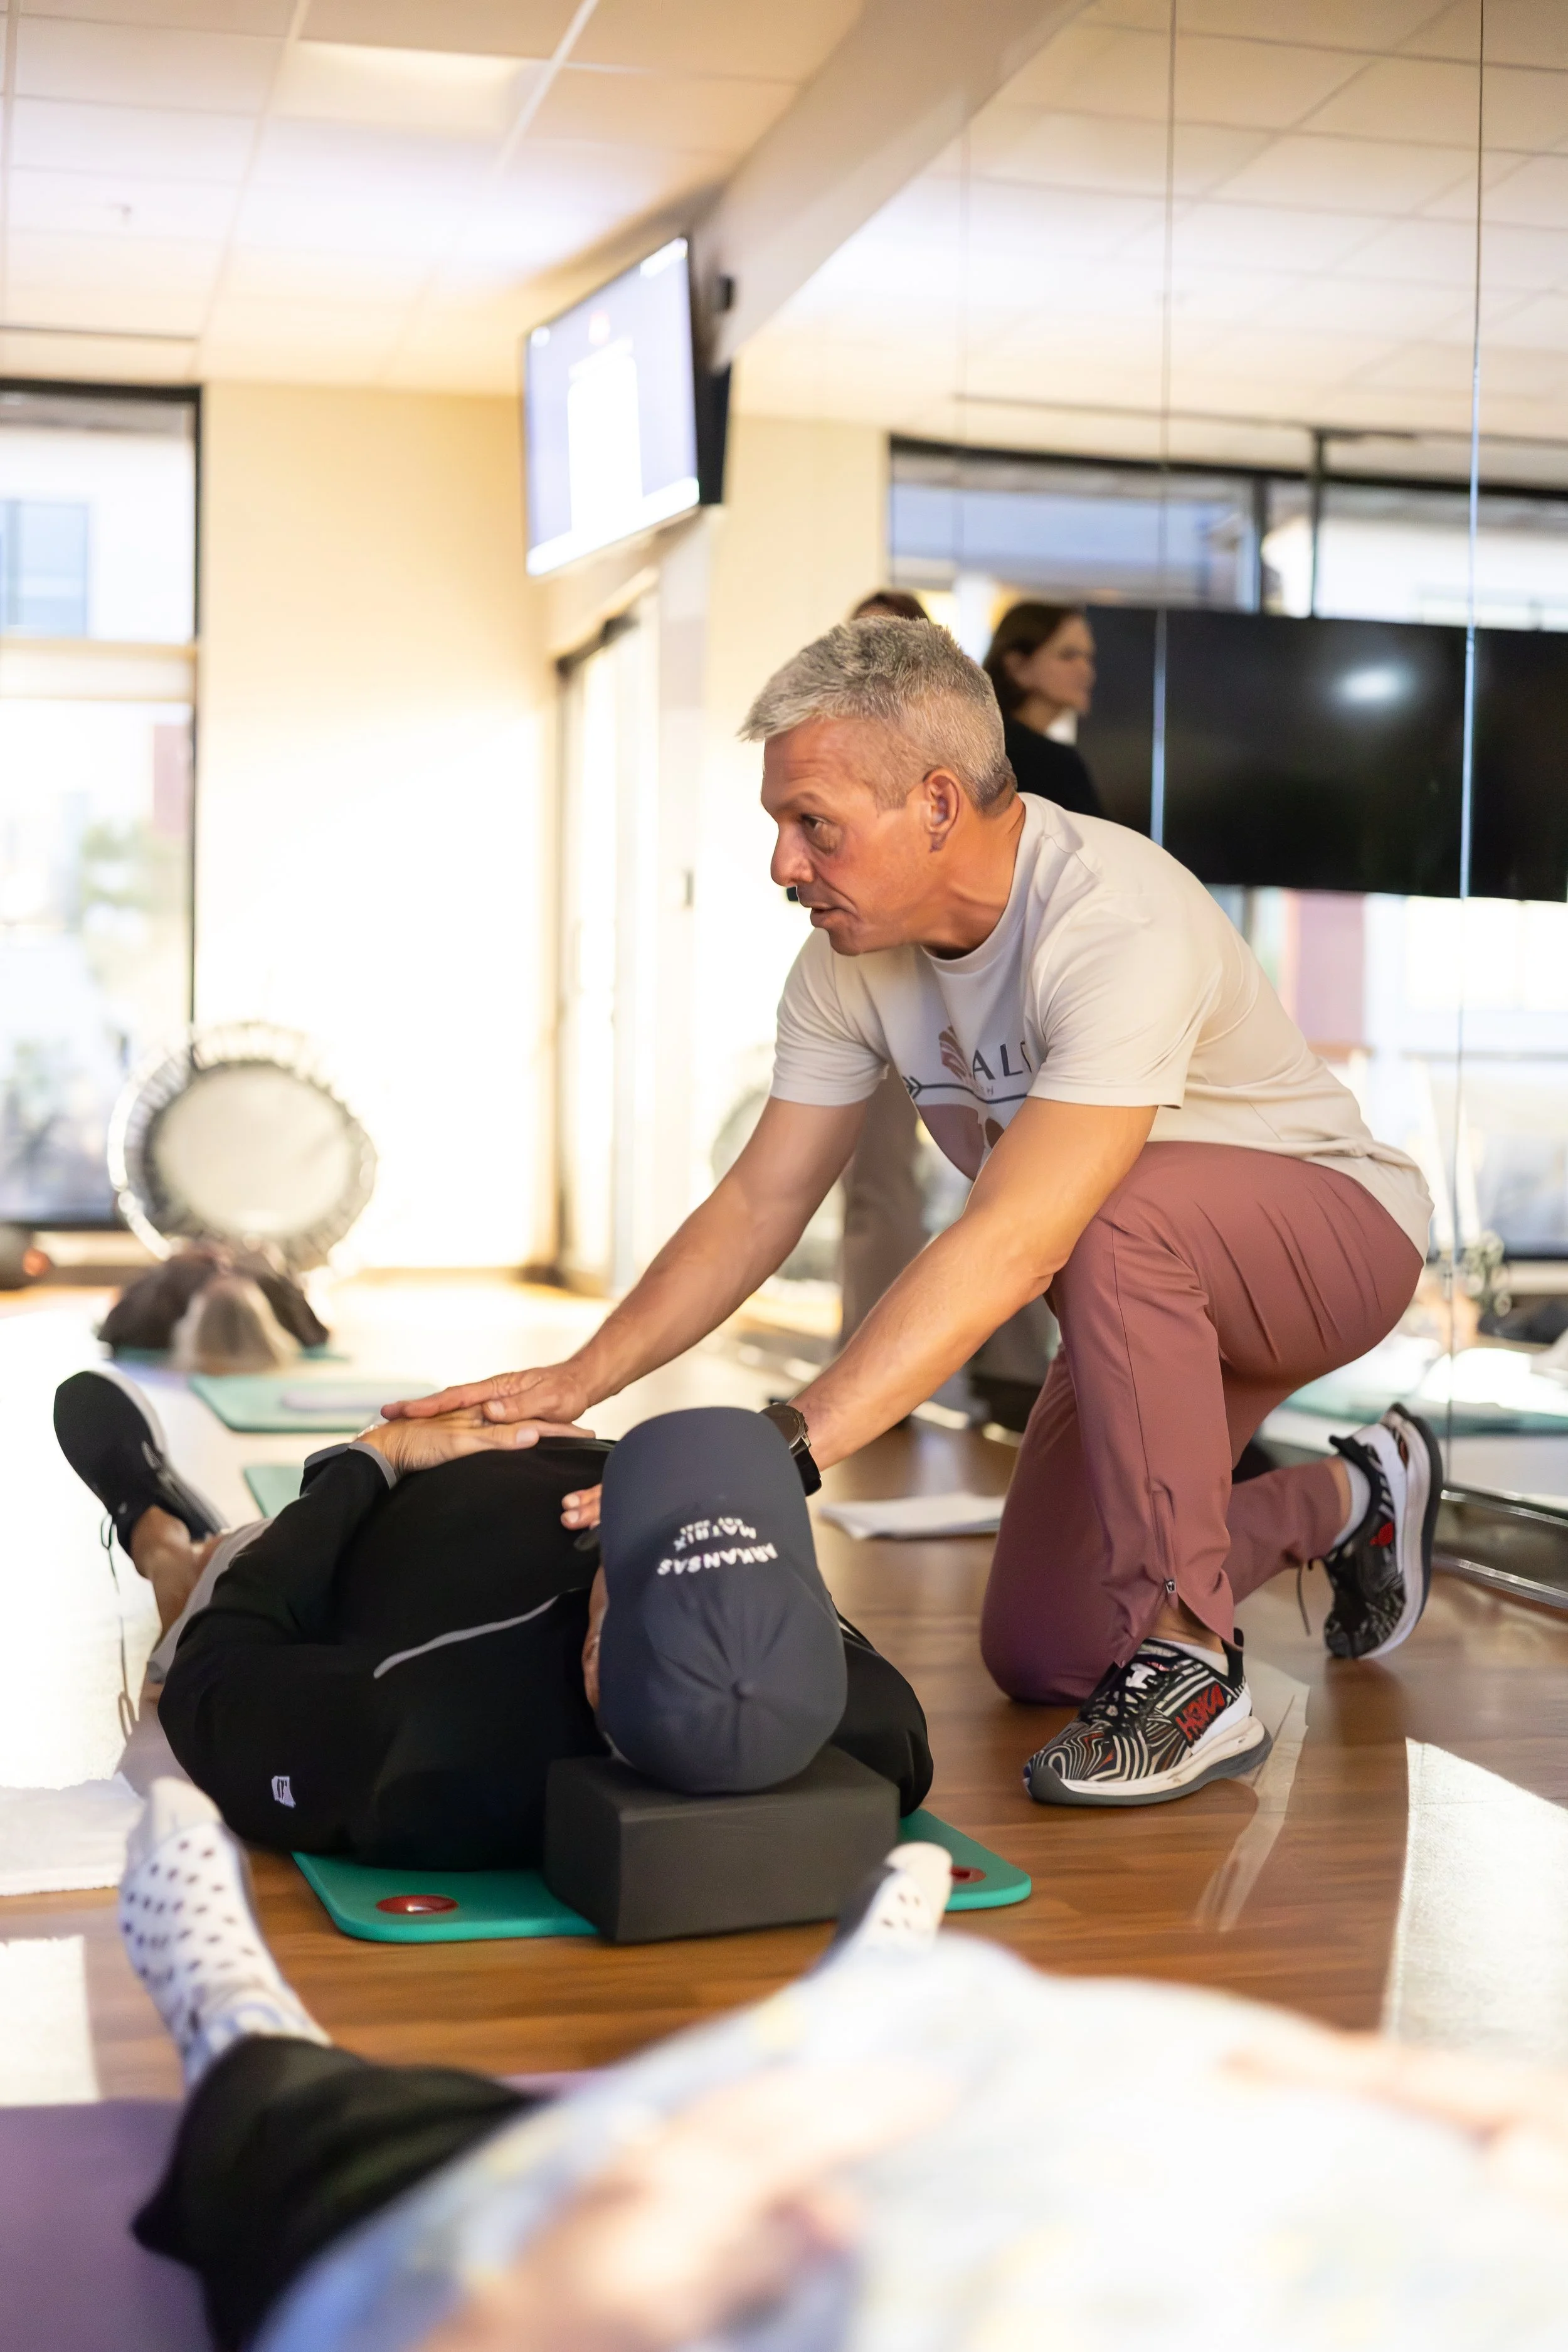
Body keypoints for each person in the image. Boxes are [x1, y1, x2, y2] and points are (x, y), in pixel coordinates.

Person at [389, 617, 1437, 1810]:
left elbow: (1020, 1236)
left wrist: (784, 1443)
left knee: (1100, 1216)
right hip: (1150, 1292)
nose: (784, 864)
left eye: (813, 825)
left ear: (937, 803)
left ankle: (1195, 1668)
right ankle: (1355, 1495)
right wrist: (581, 1377)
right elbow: (762, 1196)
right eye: (780, 826)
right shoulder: (849, 964)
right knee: (1044, 1653)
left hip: (1337, 1242)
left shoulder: (1110, 919)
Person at [121, 1781, 1568, 2352]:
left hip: (667, 2237)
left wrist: (583, 2296)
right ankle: (878, 1986)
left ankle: (229, 2004)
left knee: (314, 2135)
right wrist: (1392, 2087)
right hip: (1067, 2101)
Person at [53, 1370, 933, 1864]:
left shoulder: (405, 1747)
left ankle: (165, 1536)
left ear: (595, 1661)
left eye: (625, 1541)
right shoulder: (881, 1725)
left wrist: (370, 1460)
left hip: (369, 1524)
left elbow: (217, 1672)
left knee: (217, 1582)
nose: (612, 1514)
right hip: (527, 1448)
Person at [837, 590, 931, 1345]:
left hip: (947, 971)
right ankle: (867, 1353)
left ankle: (1010, 1365)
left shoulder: (951, 742)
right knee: (874, 1172)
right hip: (869, 969)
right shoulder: (827, 739)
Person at [982, 600, 1104, 817]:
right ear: (1017, 667)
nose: (1085, 669)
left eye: (1088, 657)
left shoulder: (987, 741)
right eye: (1068, 655)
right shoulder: (1053, 764)